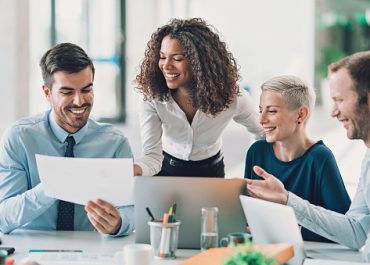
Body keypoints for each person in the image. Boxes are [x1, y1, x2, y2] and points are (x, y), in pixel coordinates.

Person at [246, 51, 370, 260]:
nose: (333, 112)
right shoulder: (368, 160)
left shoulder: (319, 156)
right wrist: (287, 199)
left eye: (339, 99)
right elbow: (355, 232)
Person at [0, 43, 134, 236]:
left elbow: (131, 208)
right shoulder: (19, 138)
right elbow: (4, 218)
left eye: (86, 90)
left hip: (93, 253)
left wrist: (119, 224)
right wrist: (53, 185)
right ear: (48, 93)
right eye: (67, 92)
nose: (79, 101)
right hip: (33, 252)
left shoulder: (115, 143)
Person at [134, 18, 264, 177]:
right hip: (166, 169)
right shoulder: (152, 97)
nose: (166, 66)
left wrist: (255, 168)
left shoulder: (233, 97)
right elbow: (151, 158)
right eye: (162, 57)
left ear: (199, 62)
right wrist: (133, 170)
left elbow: (262, 133)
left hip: (211, 172)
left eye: (177, 58)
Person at [244, 75, 351, 242]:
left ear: (301, 115)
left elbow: (345, 229)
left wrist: (283, 231)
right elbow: (246, 215)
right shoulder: (256, 152)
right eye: (260, 110)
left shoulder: (320, 158)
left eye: (272, 111)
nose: (261, 119)